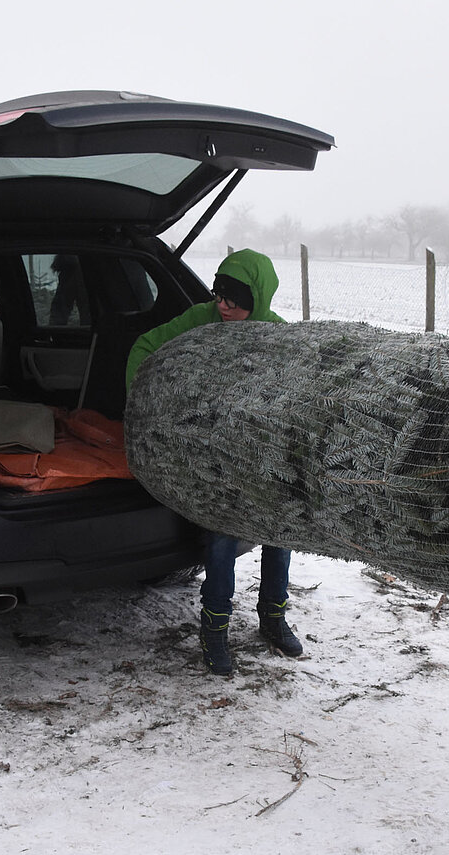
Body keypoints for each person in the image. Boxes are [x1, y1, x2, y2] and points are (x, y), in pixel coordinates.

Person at [125, 249, 303, 676]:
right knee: (221, 542)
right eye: (220, 296)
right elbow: (145, 347)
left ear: (257, 300)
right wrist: (142, 402)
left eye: (235, 301)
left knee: (280, 536)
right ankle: (215, 631)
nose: (224, 307)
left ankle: (273, 618)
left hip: (263, 460)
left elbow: (302, 394)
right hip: (216, 460)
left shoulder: (278, 336)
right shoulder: (200, 320)